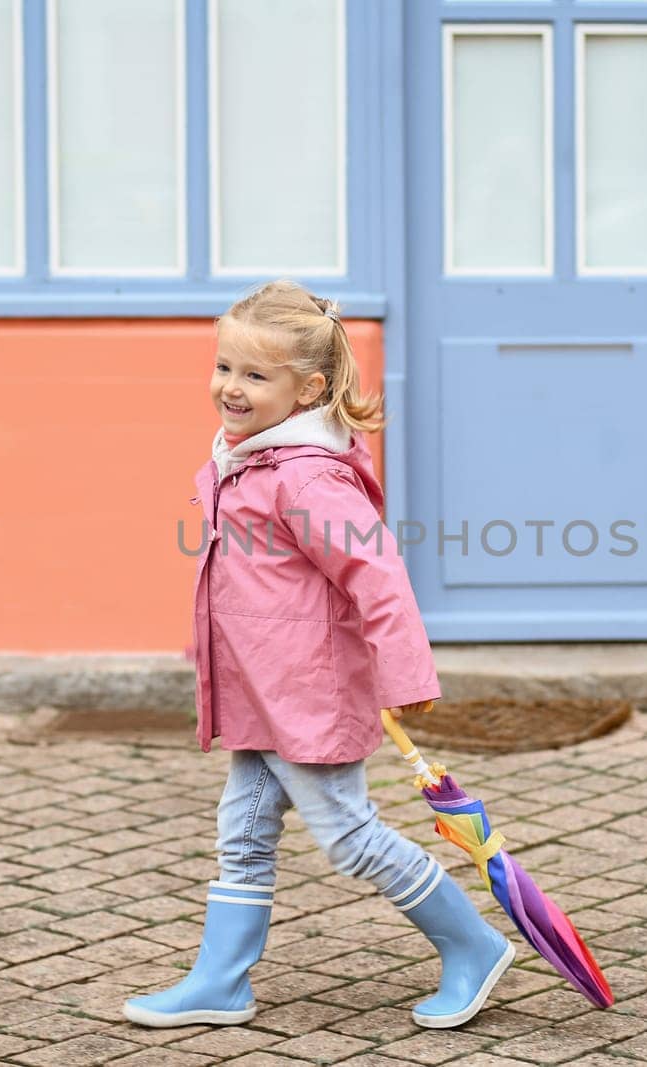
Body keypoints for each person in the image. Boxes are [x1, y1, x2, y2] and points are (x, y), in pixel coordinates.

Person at [123, 279, 515, 1031]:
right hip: (259, 691)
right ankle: (220, 981)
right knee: (241, 832)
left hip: (306, 693)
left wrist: (405, 674)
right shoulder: (250, 457)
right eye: (225, 367)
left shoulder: (304, 475)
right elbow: (244, 578)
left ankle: (473, 943)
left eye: (255, 375)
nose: (231, 388)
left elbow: (378, 574)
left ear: (308, 389)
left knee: (349, 834)